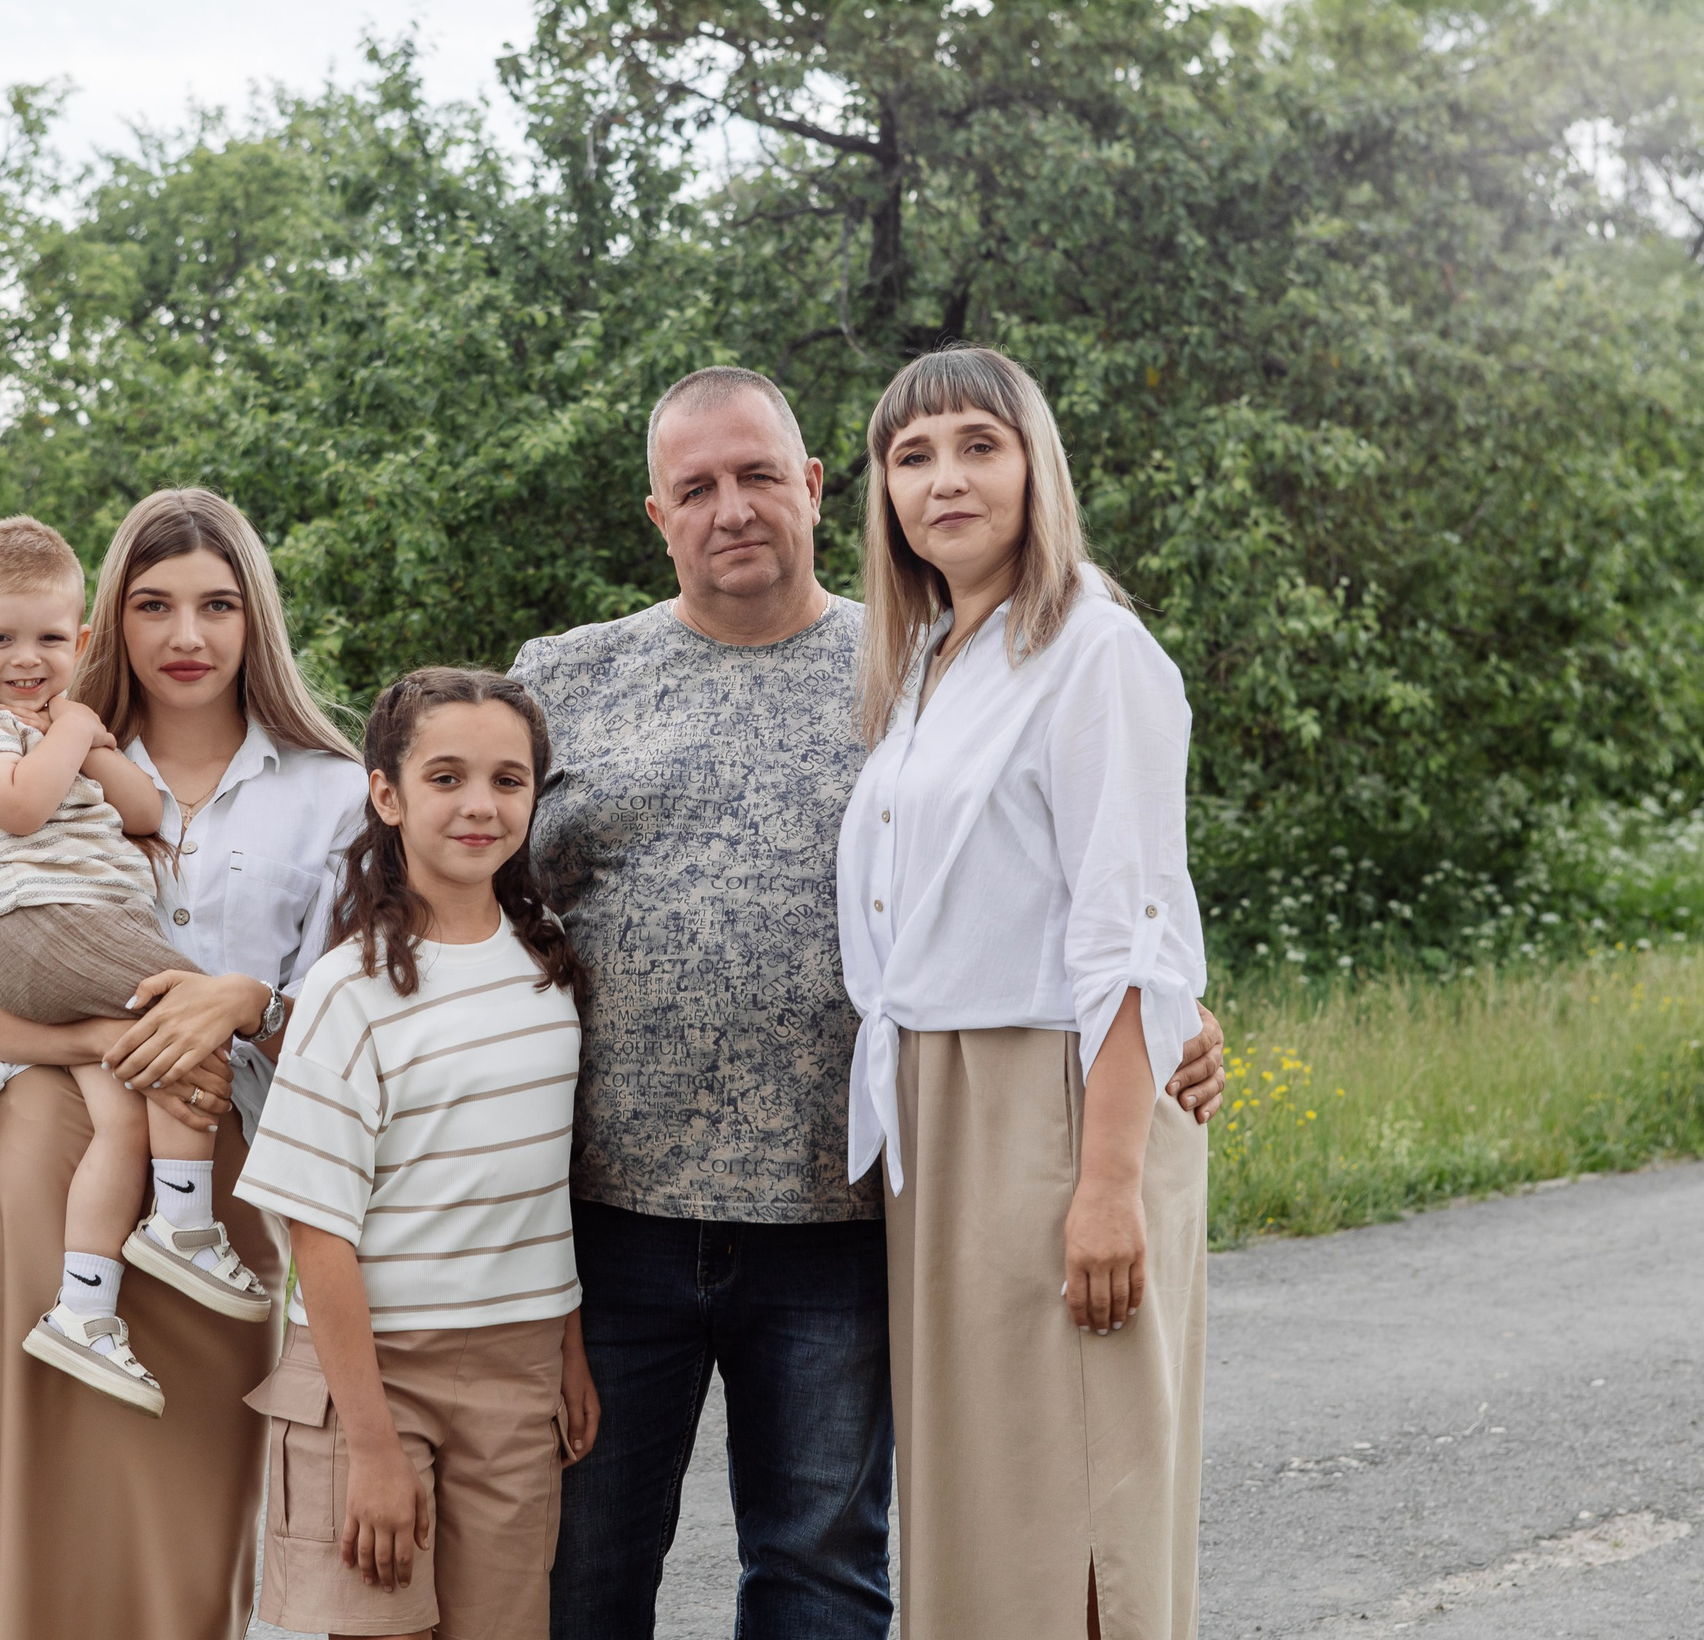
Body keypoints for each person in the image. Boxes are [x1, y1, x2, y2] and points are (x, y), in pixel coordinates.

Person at [509, 365, 1228, 1640]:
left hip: (840, 1212)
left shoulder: (919, 655)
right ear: (656, 513)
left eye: (756, 475)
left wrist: (1161, 1031)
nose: (730, 507)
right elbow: (464, 886)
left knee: (829, 1570)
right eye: (695, 487)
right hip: (617, 1208)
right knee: (586, 1571)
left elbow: (1112, 889)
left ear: (812, 485)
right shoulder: (581, 676)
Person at [0, 488, 367, 1637]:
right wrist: (91, 1039)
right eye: (154, 604)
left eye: (216, 604)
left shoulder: (332, 788)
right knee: (31, 1504)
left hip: (222, 1183)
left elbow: (360, 988)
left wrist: (248, 999)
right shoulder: (32, 759)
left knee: (191, 1517)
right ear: (105, 624)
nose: (185, 635)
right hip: (45, 1167)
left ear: (252, 618)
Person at [838, 344, 1208, 1639]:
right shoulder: (930, 659)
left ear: (1034, 466)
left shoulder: (1092, 649)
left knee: (1079, 1493)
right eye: (913, 454)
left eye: (977, 445)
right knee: (982, 1500)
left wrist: (1106, 1180)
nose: (946, 478)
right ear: (883, 490)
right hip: (934, 1120)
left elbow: (1129, 931)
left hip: (1055, 1103)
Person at [236, 667, 602, 1640]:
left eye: (508, 779)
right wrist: (371, 1448)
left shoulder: (549, 967)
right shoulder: (346, 989)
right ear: (387, 793)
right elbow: (317, 1233)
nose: (479, 803)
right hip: (371, 1376)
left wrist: (564, 1342)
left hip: (519, 1372)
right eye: (445, 776)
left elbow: (537, 1185)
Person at [0, 516, 269, 1417]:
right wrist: (71, 731)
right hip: (33, 927)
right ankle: (186, 1224)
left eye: (45, 640)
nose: (23, 661)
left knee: (126, 1112)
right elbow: (23, 809)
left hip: (76, 928)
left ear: (77, 642)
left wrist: (89, 738)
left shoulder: (68, 725)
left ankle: (84, 1309)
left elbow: (146, 808)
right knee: (190, 1018)